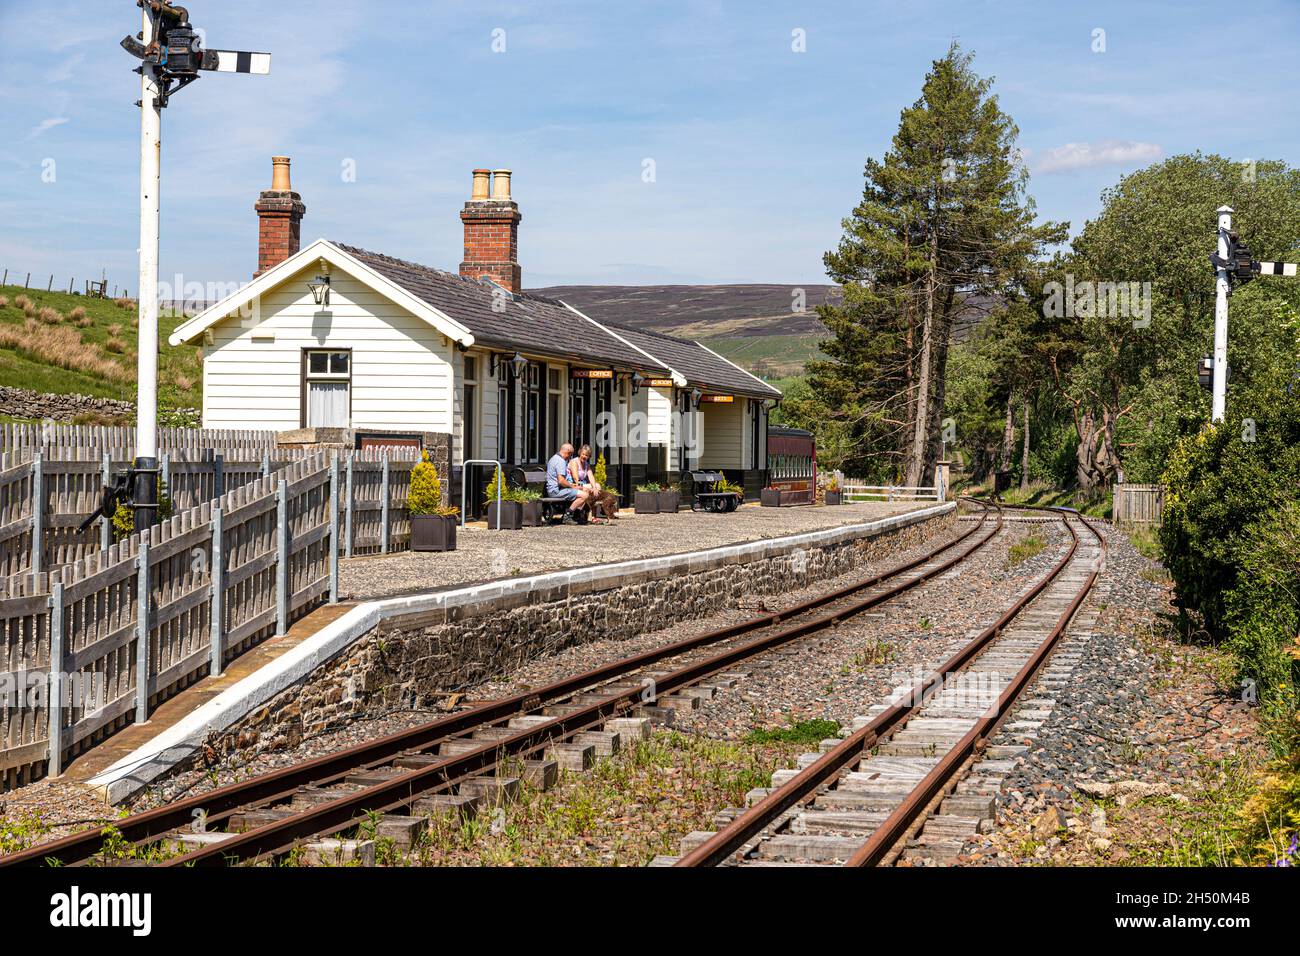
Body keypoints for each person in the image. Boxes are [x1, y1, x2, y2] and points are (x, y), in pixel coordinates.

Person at [546, 442, 590, 524]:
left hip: (554, 489)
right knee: (584, 495)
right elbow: (561, 481)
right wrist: (573, 487)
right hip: (556, 491)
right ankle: (568, 515)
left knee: (583, 490)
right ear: (568, 453)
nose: (570, 457)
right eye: (571, 455)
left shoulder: (553, 458)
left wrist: (572, 485)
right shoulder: (561, 461)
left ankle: (576, 515)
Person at [569, 444, 612, 523]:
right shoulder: (574, 462)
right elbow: (575, 478)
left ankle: (591, 515)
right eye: (583, 454)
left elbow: (591, 476)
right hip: (573, 484)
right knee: (590, 490)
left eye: (587, 455)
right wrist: (586, 488)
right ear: (580, 453)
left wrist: (594, 488)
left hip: (582, 484)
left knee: (597, 486)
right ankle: (589, 515)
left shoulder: (586, 464)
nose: (585, 456)